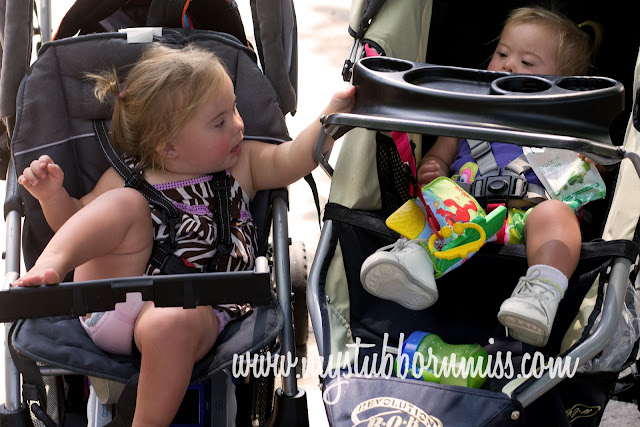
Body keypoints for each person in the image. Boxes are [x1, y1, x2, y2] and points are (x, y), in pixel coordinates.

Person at [14, 44, 355, 425]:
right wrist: (53, 196)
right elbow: (78, 222)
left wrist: (333, 115)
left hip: (196, 311)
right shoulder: (128, 176)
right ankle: (47, 270)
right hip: (111, 299)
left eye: (235, 109)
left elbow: (292, 158)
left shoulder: (243, 166)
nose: (238, 125)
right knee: (125, 205)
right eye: (220, 122)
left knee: (172, 320)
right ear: (168, 146)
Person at [360, 6, 602, 348]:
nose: (508, 65)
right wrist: (434, 167)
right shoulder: (468, 114)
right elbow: (437, 158)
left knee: (557, 215)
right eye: (501, 53)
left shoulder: (564, 128)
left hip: (528, 219)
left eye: (527, 62)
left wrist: (590, 158)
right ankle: (413, 265)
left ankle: (540, 293)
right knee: (434, 197)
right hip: (463, 218)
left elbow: (599, 167)